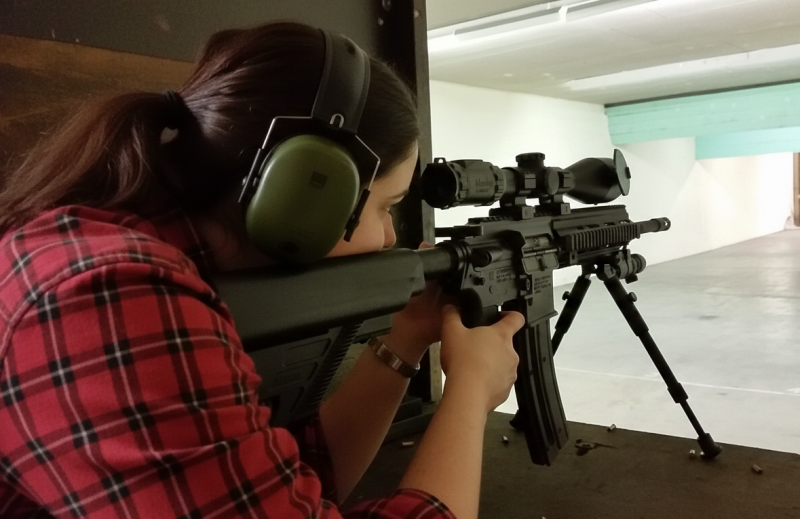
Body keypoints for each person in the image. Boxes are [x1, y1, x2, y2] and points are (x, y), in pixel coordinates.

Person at [0, 21, 524, 519]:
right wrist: (471, 393)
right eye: (388, 207)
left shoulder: (127, 260)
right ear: (310, 190)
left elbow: (289, 491)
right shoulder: (107, 295)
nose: (390, 238)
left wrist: (406, 337)